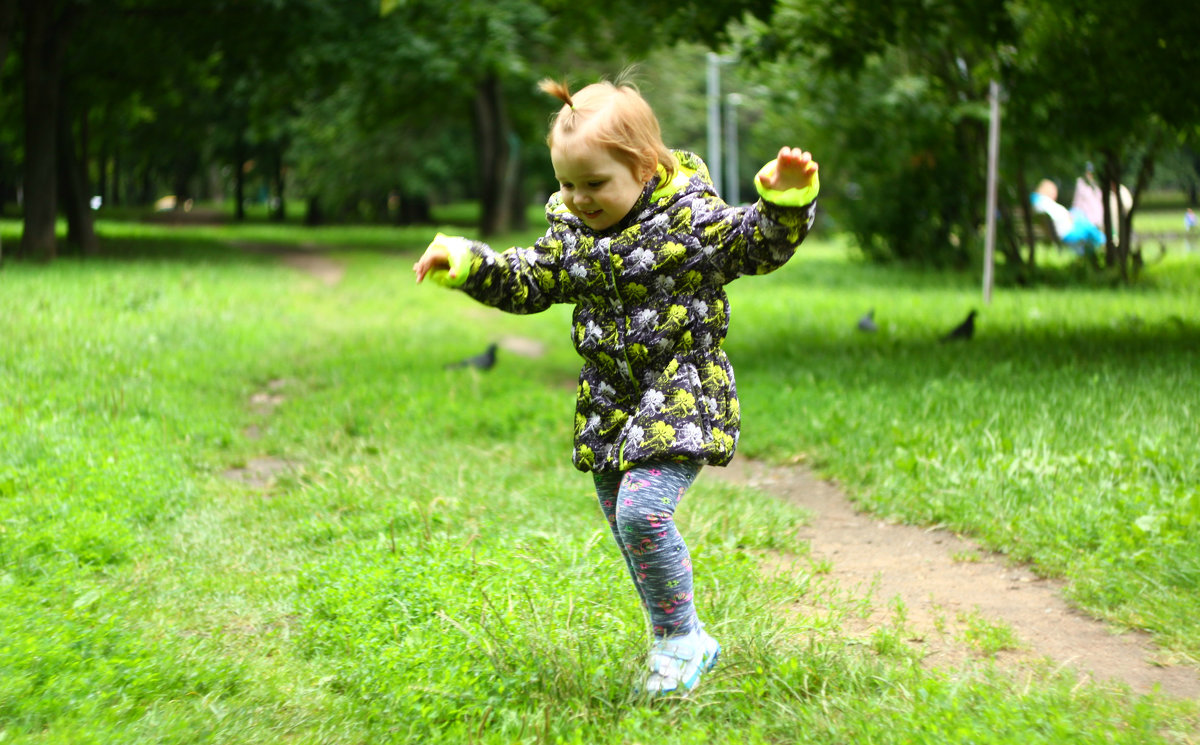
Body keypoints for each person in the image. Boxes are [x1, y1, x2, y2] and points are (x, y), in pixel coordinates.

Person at [413, 75, 819, 696]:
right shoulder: (572, 231)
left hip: (681, 388)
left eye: (594, 183)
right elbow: (531, 279)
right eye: (566, 183)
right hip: (610, 401)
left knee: (642, 512)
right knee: (625, 524)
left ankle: (685, 640)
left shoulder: (689, 220)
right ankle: (670, 642)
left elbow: (753, 244)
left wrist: (785, 203)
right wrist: (472, 263)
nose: (578, 198)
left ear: (644, 166)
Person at [1030, 179, 1104, 254]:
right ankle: (1104, 242)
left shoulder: (1038, 202)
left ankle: (1101, 243)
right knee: (1087, 226)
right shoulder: (1043, 202)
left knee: (1081, 219)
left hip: (1062, 230)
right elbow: (1058, 216)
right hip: (1065, 233)